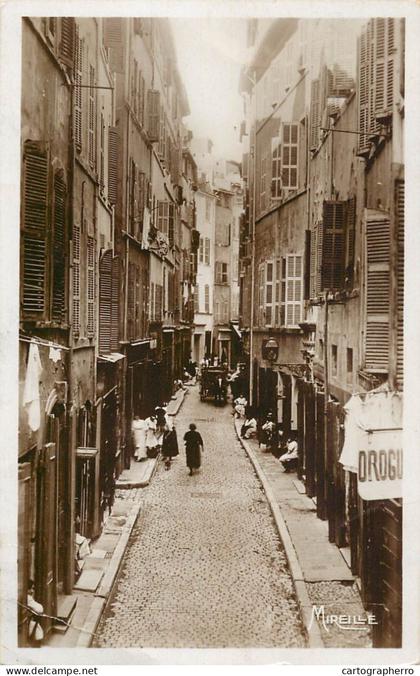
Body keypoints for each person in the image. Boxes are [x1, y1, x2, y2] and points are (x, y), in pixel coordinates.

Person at [27, 580, 44, 646]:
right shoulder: (28, 598)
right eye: (30, 588)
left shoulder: (28, 597)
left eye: (33, 588)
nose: (32, 591)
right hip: (26, 624)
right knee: (38, 632)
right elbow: (40, 609)